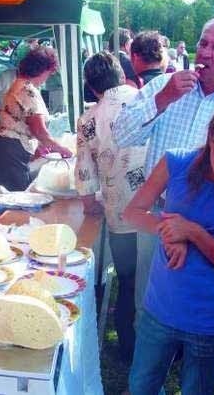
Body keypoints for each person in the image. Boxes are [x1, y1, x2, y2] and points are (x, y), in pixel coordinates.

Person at [113, 15, 214, 324]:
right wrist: (164, 99)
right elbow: (121, 136)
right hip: (158, 215)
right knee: (147, 301)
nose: (205, 53)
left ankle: (185, 356)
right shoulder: (164, 84)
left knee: (198, 304)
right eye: (203, 43)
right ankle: (148, 358)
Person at [125, 98, 214, 394]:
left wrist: (193, 233)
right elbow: (132, 212)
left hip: (210, 319)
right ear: (209, 139)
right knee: (141, 385)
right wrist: (169, 232)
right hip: (160, 307)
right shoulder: (176, 161)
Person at [74, 51, 143, 364]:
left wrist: (91, 204)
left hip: (121, 214)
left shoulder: (89, 120)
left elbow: (85, 176)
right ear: (120, 74)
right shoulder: (148, 100)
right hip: (160, 209)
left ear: (91, 86)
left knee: (127, 282)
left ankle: (129, 346)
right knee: (157, 279)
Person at [0, 46, 72, 191]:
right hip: (11, 151)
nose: (47, 78)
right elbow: (39, 131)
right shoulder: (29, 91)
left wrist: (40, 145)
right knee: (15, 200)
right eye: (48, 73)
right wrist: (62, 149)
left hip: (0, 145)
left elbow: (24, 122)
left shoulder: (17, 84)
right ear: (42, 70)